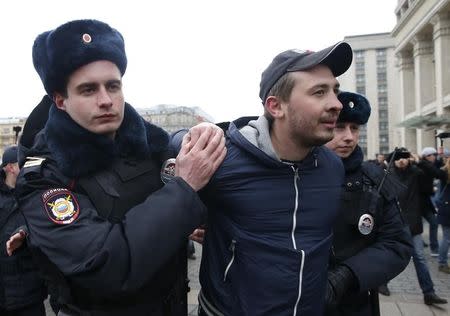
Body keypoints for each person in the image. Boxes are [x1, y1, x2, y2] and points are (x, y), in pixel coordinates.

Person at [14, 19, 226, 316]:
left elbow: (169, 154)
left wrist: (198, 139)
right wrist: (183, 191)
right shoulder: (44, 175)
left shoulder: (145, 145)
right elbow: (107, 265)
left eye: (113, 86)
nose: (106, 100)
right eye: (88, 90)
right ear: (60, 101)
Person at [172, 41, 353, 315]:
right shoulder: (223, 158)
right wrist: (193, 134)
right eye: (319, 92)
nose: (336, 104)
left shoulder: (332, 167)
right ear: (276, 106)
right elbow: (165, 145)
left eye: (334, 91)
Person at [323, 92, 413, 316]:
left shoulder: (375, 178)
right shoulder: (298, 175)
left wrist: (348, 275)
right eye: (339, 127)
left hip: (356, 303)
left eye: (354, 128)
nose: (349, 137)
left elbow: (397, 244)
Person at [387, 147, 448, 305]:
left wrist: (419, 160)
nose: (402, 160)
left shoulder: (415, 172)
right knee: (388, 257)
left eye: (405, 157)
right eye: (399, 158)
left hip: (413, 223)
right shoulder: (387, 174)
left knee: (420, 258)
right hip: (393, 224)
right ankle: (381, 283)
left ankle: (429, 293)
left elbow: (438, 174)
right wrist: (393, 158)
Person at [0, 146, 48, 316]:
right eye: (23, 164)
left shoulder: (36, 192)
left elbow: (45, 227)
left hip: (29, 294)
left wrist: (25, 232)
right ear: (10, 167)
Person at [417, 147, 447, 256]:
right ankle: (433, 248)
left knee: (421, 224)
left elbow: (436, 167)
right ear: (427, 156)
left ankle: (430, 247)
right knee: (431, 223)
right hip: (420, 201)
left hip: (422, 200)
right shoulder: (424, 165)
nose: (434, 157)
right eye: (432, 155)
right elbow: (439, 173)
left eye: (435, 155)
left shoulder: (424, 164)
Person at [435, 156, 450, 273]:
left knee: (446, 237)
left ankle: (442, 262)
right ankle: (442, 262)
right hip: (446, 209)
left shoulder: (443, 172)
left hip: (444, 208)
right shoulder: (445, 173)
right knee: (446, 238)